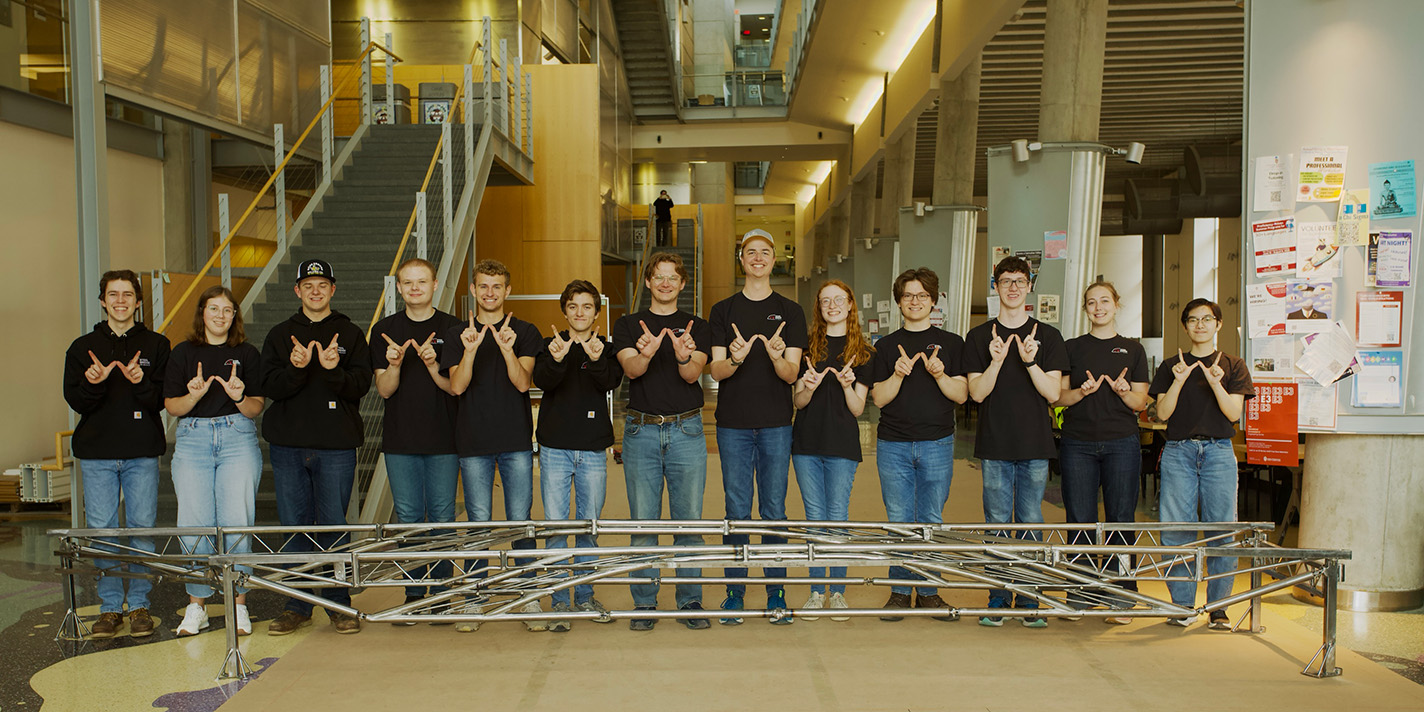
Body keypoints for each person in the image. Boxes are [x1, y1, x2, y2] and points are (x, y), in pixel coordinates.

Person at [260, 259, 372, 635]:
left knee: (335, 527)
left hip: (336, 446)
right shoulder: (280, 335)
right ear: (297, 291)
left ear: (332, 289)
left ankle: (338, 603)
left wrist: (332, 368)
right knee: (294, 528)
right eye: (308, 285)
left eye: (322, 284)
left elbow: (360, 386)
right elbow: (269, 387)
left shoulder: (350, 333)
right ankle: (297, 604)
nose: (315, 291)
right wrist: (296, 367)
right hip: (288, 447)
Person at [62, 269, 169, 639]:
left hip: (142, 452)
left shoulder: (157, 345)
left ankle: (139, 603)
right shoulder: (82, 348)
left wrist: (141, 381)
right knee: (102, 532)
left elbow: (161, 400)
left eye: (127, 295)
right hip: (97, 454)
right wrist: (93, 384)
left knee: (142, 530)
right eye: (113, 294)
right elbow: (76, 400)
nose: (120, 301)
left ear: (138, 302)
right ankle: (109, 607)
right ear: (103, 301)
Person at [709, 229, 807, 625]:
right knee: (736, 508)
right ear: (742, 260)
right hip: (732, 425)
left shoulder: (791, 311)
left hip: (776, 425)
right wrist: (734, 359)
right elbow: (716, 371)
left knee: (774, 509)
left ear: (773, 260)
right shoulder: (723, 310)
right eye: (751, 252)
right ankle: (734, 591)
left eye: (765, 252)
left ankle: (775, 590)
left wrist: (777, 355)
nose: (758, 258)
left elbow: (791, 375)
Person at [965, 255, 1068, 628]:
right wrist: (996, 361)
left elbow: (1053, 393)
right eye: (1005, 281)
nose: (1012, 287)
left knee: (1030, 521)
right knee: (996, 522)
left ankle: (1028, 595)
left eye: (1019, 281)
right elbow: (976, 393)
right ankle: (998, 595)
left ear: (1029, 287)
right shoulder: (979, 337)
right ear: (995, 287)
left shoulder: (1048, 336)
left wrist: (1029, 361)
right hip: (995, 444)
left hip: (1034, 444)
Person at [441, 259, 544, 631]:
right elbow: (456, 387)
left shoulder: (525, 331)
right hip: (473, 440)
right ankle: (474, 598)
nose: (489, 292)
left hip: (515, 440)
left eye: (496, 286)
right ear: (473, 290)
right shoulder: (457, 334)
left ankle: (528, 596)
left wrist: (506, 349)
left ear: (507, 290)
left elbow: (523, 383)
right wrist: (470, 350)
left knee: (520, 521)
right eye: (483, 286)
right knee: (478, 522)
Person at [612, 252, 712, 630]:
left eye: (672, 277)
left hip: (687, 430)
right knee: (643, 524)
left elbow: (692, 375)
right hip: (641, 431)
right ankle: (644, 603)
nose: (665, 283)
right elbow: (632, 369)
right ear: (648, 282)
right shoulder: (627, 325)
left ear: (682, 283)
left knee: (689, 524)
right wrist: (647, 352)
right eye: (658, 276)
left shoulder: (697, 326)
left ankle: (690, 600)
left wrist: (684, 356)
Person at [164, 286, 265, 637]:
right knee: (194, 524)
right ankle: (198, 605)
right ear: (202, 313)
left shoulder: (247, 354)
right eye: (213, 309)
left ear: (234, 315)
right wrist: (193, 396)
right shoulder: (182, 353)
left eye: (227, 310)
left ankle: (238, 604)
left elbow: (255, 408)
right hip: (193, 438)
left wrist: (238, 396)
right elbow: (172, 407)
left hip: (237, 437)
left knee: (237, 522)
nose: (220, 316)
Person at [1149, 298, 1255, 630]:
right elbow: (1162, 414)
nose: (1200, 325)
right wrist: (1179, 380)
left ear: (1218, 324)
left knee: (1222, 531)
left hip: (1219, 452)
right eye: (1193, 320)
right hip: (1178, 451)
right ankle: (1182, 605)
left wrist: (1214, 382)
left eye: (1207, 319)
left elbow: (1233, 413)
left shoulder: (1234, 365)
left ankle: (1219, 608)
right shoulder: (1171, 366)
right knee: (1176, 531)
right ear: (1185, 326)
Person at [869, 268, 967, 621]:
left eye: (922, 295)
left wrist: (940, 374)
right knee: (899, 521)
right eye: (908, 295)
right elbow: (878, 398)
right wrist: (897, 374)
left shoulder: (952, 343)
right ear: (899, 302)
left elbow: (961, 394)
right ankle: (899, 591)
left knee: (930, 519)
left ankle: (928, 591)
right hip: (893, 444)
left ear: (933, 300)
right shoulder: (884, 346)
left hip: (937, 443)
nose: (915, 301)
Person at [370, 258, 463, 623]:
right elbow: (384, 390)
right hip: (401, 440)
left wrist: (432, 364)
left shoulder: (452, 328)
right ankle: (413, 593)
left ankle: (440, 593)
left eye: (421, 282)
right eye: (407, 283)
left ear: (434, 285)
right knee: (408, 517)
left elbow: (455, 388)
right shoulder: (384, 330)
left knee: (442, 517)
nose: (414, 288)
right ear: (399, 287)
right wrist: (394, 365)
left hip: (444, 438)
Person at [1053, 281, 1150, 625]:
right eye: (1092, 302)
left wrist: (1124, 393)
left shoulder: (1133, 349)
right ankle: (1080, 594)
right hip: (1077, 443)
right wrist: (1081, 392)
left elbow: (1141, 402)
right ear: (1085, 309)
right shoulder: (1071, 348)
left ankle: (1121, 596)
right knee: (1078, 519)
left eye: (1105, 301)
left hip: (1121, 443)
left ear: (1116, 305)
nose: (1099, 308)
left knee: (1120, 519)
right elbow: (1058, 397)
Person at [533, 280, 623, 632]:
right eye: (573, 306)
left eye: (587, 306)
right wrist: (557, 360)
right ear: (565, 311)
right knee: (557, 528)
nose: (580, 312)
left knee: (589, 526)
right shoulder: (550, 345)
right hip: (555, 448)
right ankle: (559, 600)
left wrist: (597, 359)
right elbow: (543, 381)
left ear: (596, 313)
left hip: (592, 449)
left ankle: (584, 595)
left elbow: (610, 382)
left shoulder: (606, 348)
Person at [792, 280, 874, 621]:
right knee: (814, 519)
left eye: (839, 299)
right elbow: (798, 401)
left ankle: (837, 592)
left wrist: (847, 386)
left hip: (842, 444)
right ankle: (815, 592)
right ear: (819, 306)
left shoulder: (863, 352)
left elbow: (857, 408)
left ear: (851, 304)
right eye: (826, 300)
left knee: (837, 517)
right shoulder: (806, 347)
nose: (833, 305)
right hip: (806, 444)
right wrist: (809, 388)